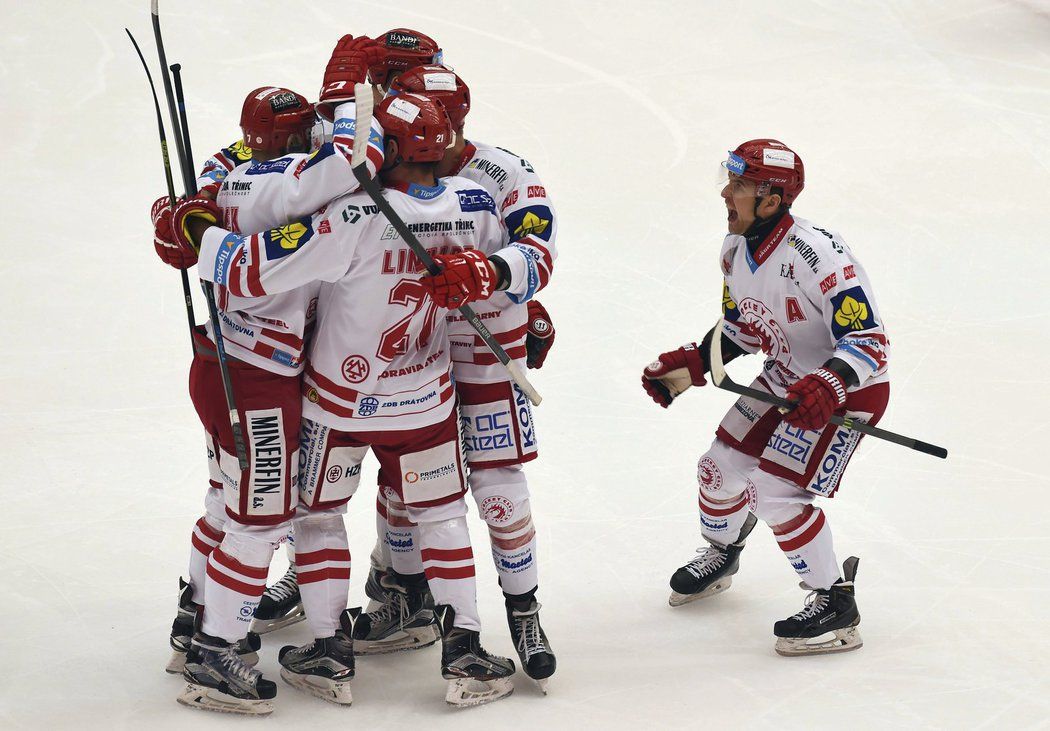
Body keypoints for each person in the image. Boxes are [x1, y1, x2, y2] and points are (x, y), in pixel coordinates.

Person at [172, 92, 519, 708]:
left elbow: (247, 270)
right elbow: (519, 269)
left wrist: (192, 224)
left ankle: (326, 649)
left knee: (304, 516)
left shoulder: (352, 214)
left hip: (335, 401)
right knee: (441, 515)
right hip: (426, 402)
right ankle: (465, 649)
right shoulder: (477, 202)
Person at [153, 37, 388, 715]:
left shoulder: (233, 173)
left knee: (228, 507)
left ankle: (194, 619)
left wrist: (181, 210)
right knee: (261, 519)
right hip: (254, 382)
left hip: (224, 362)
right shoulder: (287, 186)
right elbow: (352, 159)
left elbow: (220, 172)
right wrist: (347, 98)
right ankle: (216, 653)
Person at [353, 64, 560, 690]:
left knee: (498, 482)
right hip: (414, 348)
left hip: (487, 343)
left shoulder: (505, 173)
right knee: (405, 477)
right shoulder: (388, 159)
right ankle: (406, 594)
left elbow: (540, 252)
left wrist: (492, 275)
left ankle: (524, 610)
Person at [641, 139, 890, 656]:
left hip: (846, 390)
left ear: (772, 199)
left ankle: (835, 605)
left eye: (739, 186)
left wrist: (828, 383)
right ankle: (723, 552)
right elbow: (744, 329)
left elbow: (869, 340)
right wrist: (695, 360)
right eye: (729, 182)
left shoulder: (817, 253)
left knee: (774, 493)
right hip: (786, 380)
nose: (726, 194)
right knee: (718, 469)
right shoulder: (735, 251)